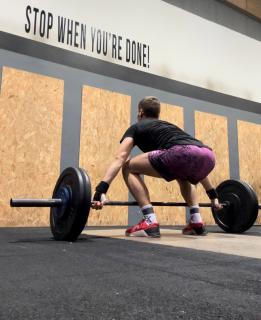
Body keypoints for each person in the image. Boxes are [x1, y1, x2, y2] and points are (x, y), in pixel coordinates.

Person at [92, 96, 222, 237]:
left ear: (141, 112)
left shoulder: (136, 127)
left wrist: (101, 190)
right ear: (157, 114)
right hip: (208, 155)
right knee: (184, 174)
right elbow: (193, 156)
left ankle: (150, 220)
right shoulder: (169, 126)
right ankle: (197, 222)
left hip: (180, 154)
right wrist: (213, 196)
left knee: (128, 166)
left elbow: (120, 157)